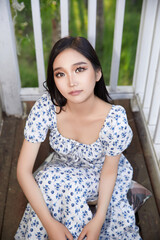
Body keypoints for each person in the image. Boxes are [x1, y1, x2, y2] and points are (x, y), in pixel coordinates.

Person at [15, 36, 142, 240]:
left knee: (64, 185)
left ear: (97, 73)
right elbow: (23, 171)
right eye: (60, 74)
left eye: (80, 69)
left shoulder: (114, 119)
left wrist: (98, 219)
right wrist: (50, 225)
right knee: (48, 180)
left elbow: (109, 173)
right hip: (62, 169)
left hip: (102, 175)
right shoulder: (47, 107)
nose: (71, 82)